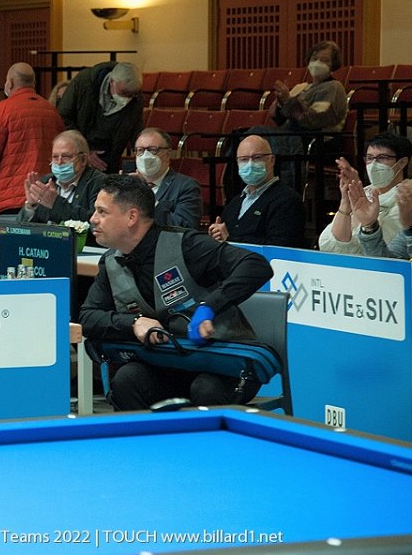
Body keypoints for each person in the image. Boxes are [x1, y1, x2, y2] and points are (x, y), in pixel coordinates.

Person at [79, 175, 273, 409]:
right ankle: (148, 436)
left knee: (204, 388)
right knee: (127, 379)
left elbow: (256, 265)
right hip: (168, 363)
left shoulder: (186, 245)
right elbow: (88, 317)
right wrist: (134, 323)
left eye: (102, 212)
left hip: (223, 363)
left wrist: (209, 306)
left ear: (132, 217)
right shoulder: (111, 261)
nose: (93, 219)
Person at [251, 40, 348, 190]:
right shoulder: (301, 87)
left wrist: (289, 101)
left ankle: (283, 191)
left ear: (333, 65)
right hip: (291, 135)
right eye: (314, 58)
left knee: (259, 139)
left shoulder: (333, 88)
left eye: (324, 60)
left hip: (316, 140)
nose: (318, 63)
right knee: (249, 137)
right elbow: (278, 118)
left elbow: (314, 120)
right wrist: (280, 102)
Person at [0, 62, 65, 216]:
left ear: (10, 83)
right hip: (47, 196)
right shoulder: (52, 111)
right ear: (33, 83)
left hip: (11, 198)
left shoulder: (1, 110)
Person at [318, 132, 412, 254]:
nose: (374, 165)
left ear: (402, 162)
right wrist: (346, 202)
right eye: (370, 158)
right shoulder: (363, 192)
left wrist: (367, 222)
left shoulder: (409, 201)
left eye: (382, 158)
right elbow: (329, 246)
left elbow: (373, 250)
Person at [208, 135, 306, 248]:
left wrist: (230, 240)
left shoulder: (287, 200)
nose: (250, 164)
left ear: (272, 160)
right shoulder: (235, 203)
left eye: (257, 158)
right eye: (244, 159)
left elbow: (280, 247)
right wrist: (216, 235)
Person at [57, 61, 143, 175]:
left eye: (132, 95)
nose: (127, 98)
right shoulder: (84, 82)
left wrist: (142, 156)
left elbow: (136, 130)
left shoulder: (135, 97)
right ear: (111, 81)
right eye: (123, 93)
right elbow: (64, 117)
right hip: (79, 155)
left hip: (111, 159)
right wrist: (84, 150)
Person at [18, 130, 106, 225]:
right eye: (55, 157)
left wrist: (56, 204)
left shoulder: (99, 183)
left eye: (66, 156)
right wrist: (31, 206)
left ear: (83, 160)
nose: (59, 162)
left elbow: (96, 222)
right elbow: (21, 228)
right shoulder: (46, 182)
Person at [130, 127, 202, 228]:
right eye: (140, 150)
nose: (145, 156)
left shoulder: (186, 186)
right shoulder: (129, 187)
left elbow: (185, 226)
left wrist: (146, 196)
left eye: (153, 150)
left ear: (168, 154)